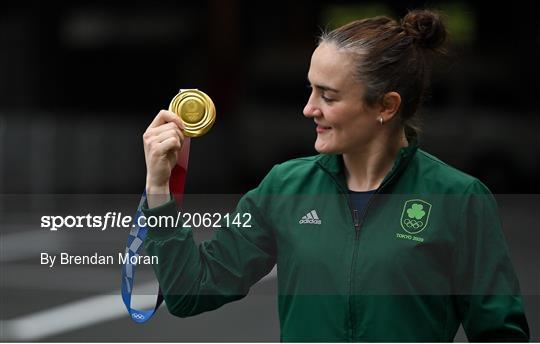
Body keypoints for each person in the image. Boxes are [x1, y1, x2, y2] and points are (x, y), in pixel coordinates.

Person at [140, 9, 530, 342]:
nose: (309, 109)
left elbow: (501, 335)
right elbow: (190, 292)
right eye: (310, 90)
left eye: (328, 95)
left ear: (386, 105)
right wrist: (160, 189)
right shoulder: (284, 189)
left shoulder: (460, 200)